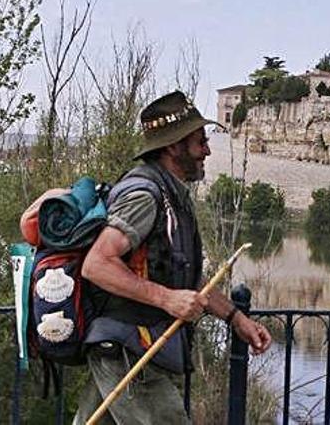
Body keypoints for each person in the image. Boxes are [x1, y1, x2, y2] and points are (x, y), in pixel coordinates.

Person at [73, 90, 272, 424]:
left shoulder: (171, 197)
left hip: (125, 349)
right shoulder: (145, 195)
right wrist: (166, 299)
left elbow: (186, 282)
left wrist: (237, 319)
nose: (207, 150)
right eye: (199, 142)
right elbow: (97, 264)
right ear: (172, 147)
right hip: (129, 349)